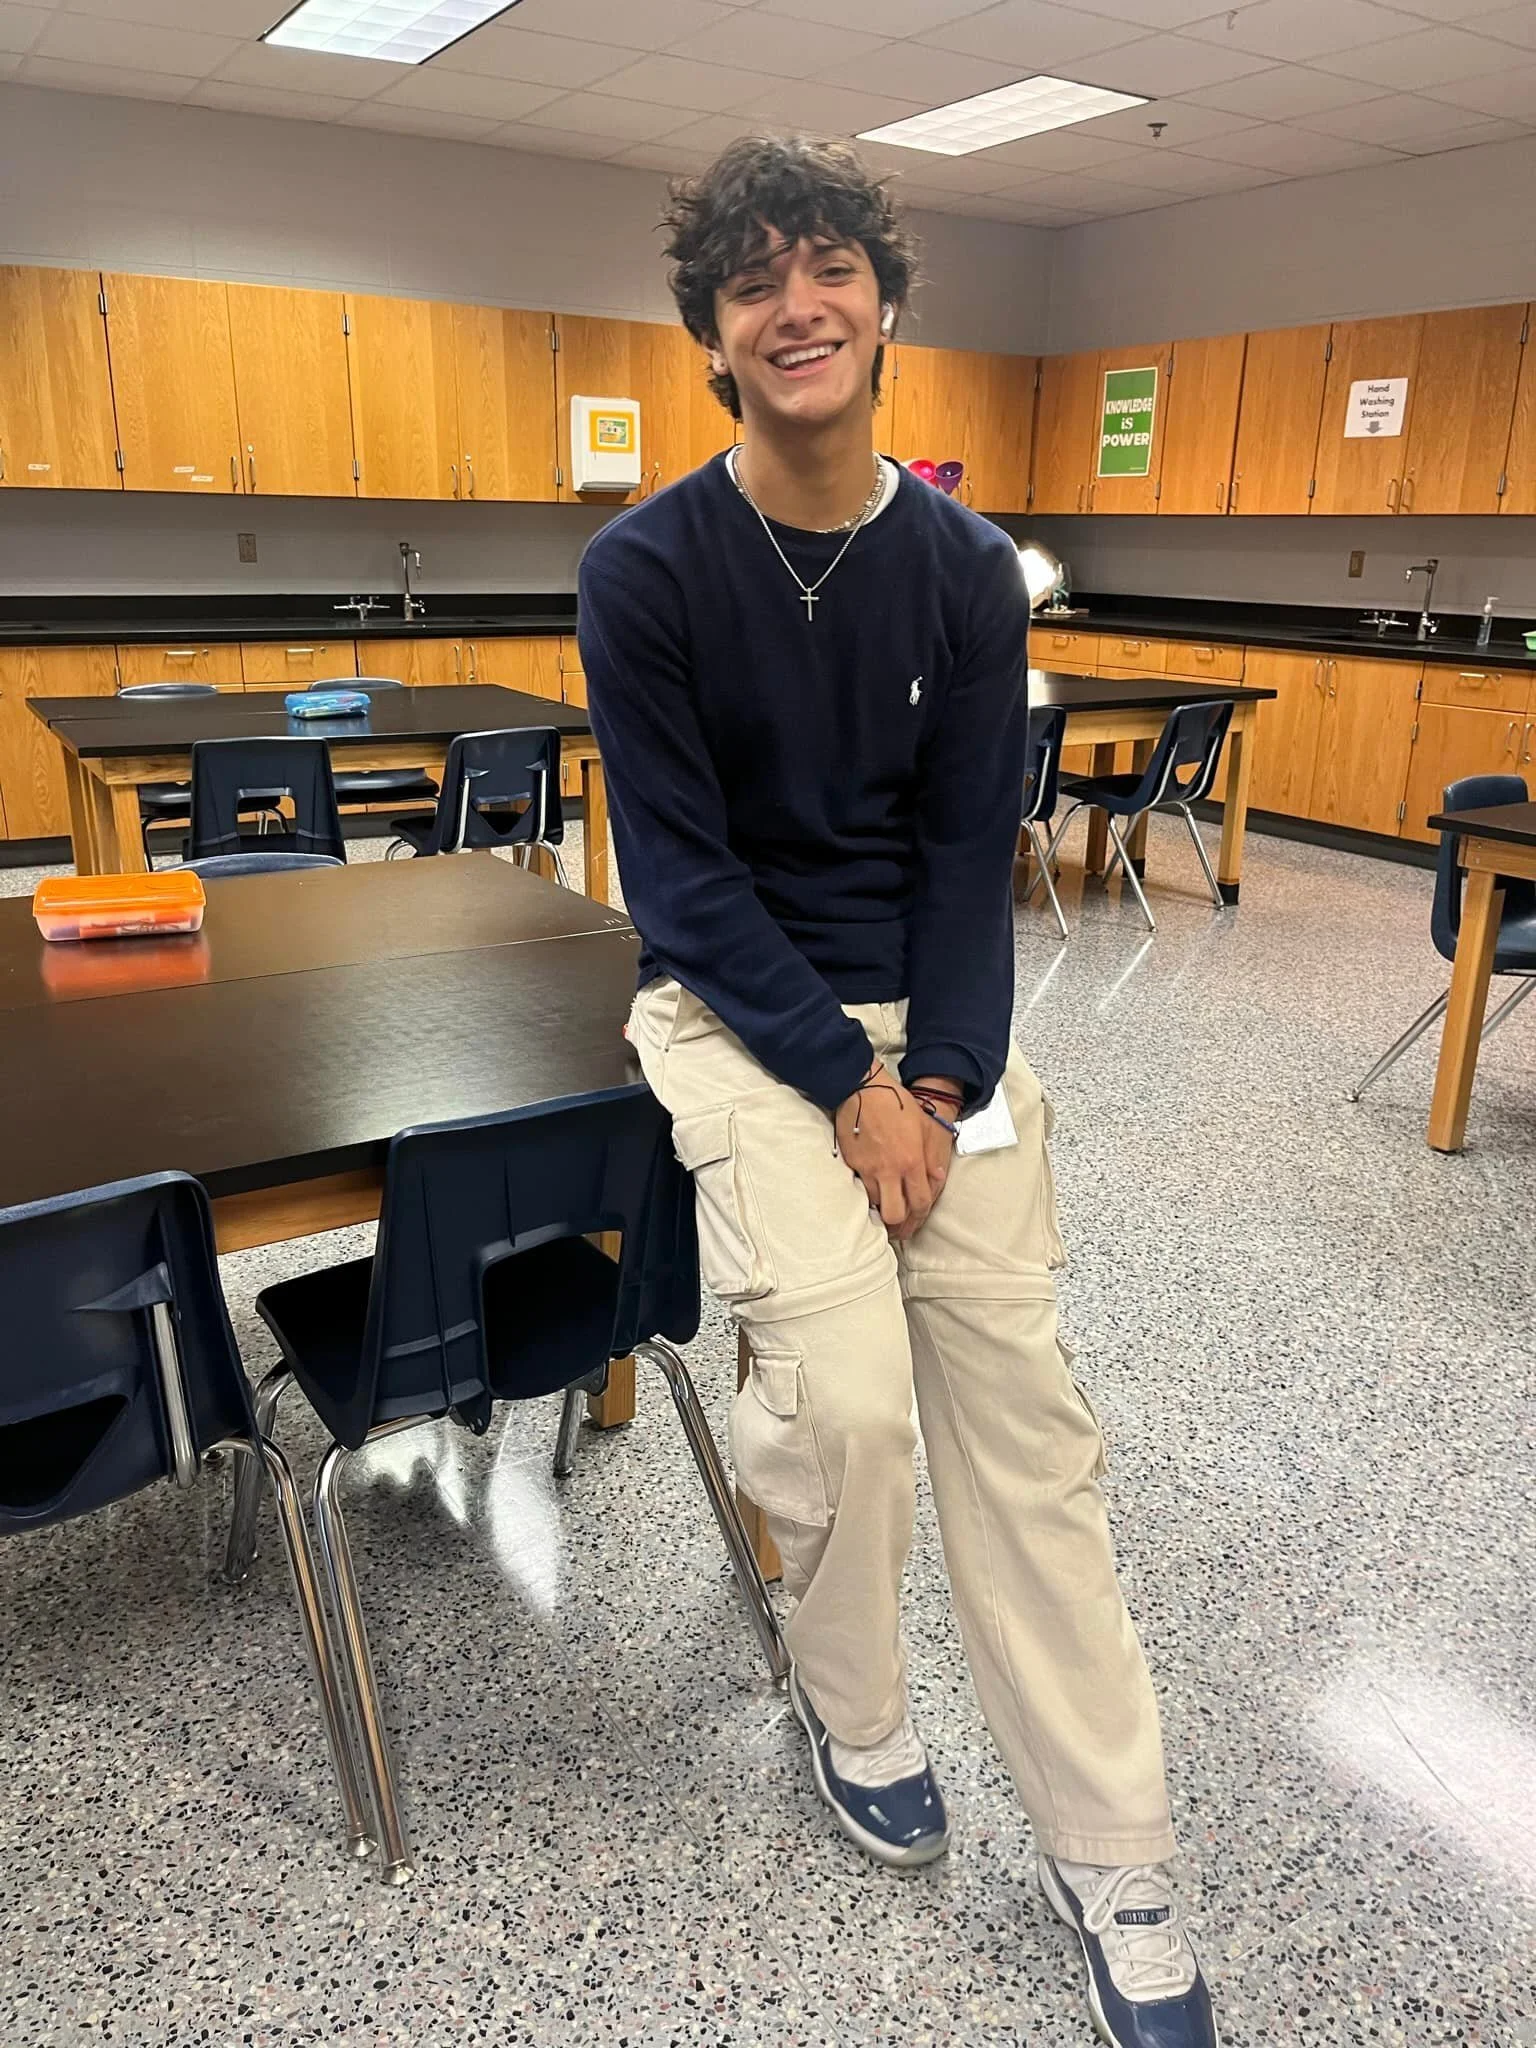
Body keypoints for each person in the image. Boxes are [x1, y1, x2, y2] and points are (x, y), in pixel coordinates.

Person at [577, 133, 1217, 2048]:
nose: (799, 305)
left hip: (929, 1036)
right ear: (712, 337)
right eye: (755, 282)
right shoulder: (646, 569)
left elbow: (966, 864)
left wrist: (934, 1078)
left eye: (829, 270)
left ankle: (1114, 1851)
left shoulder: (963, 574)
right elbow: (680, 884)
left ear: (882, 308)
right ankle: (856, 1705)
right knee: (848, 1409)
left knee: (1028, 1427)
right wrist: (846, 1090)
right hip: (732, 1015)